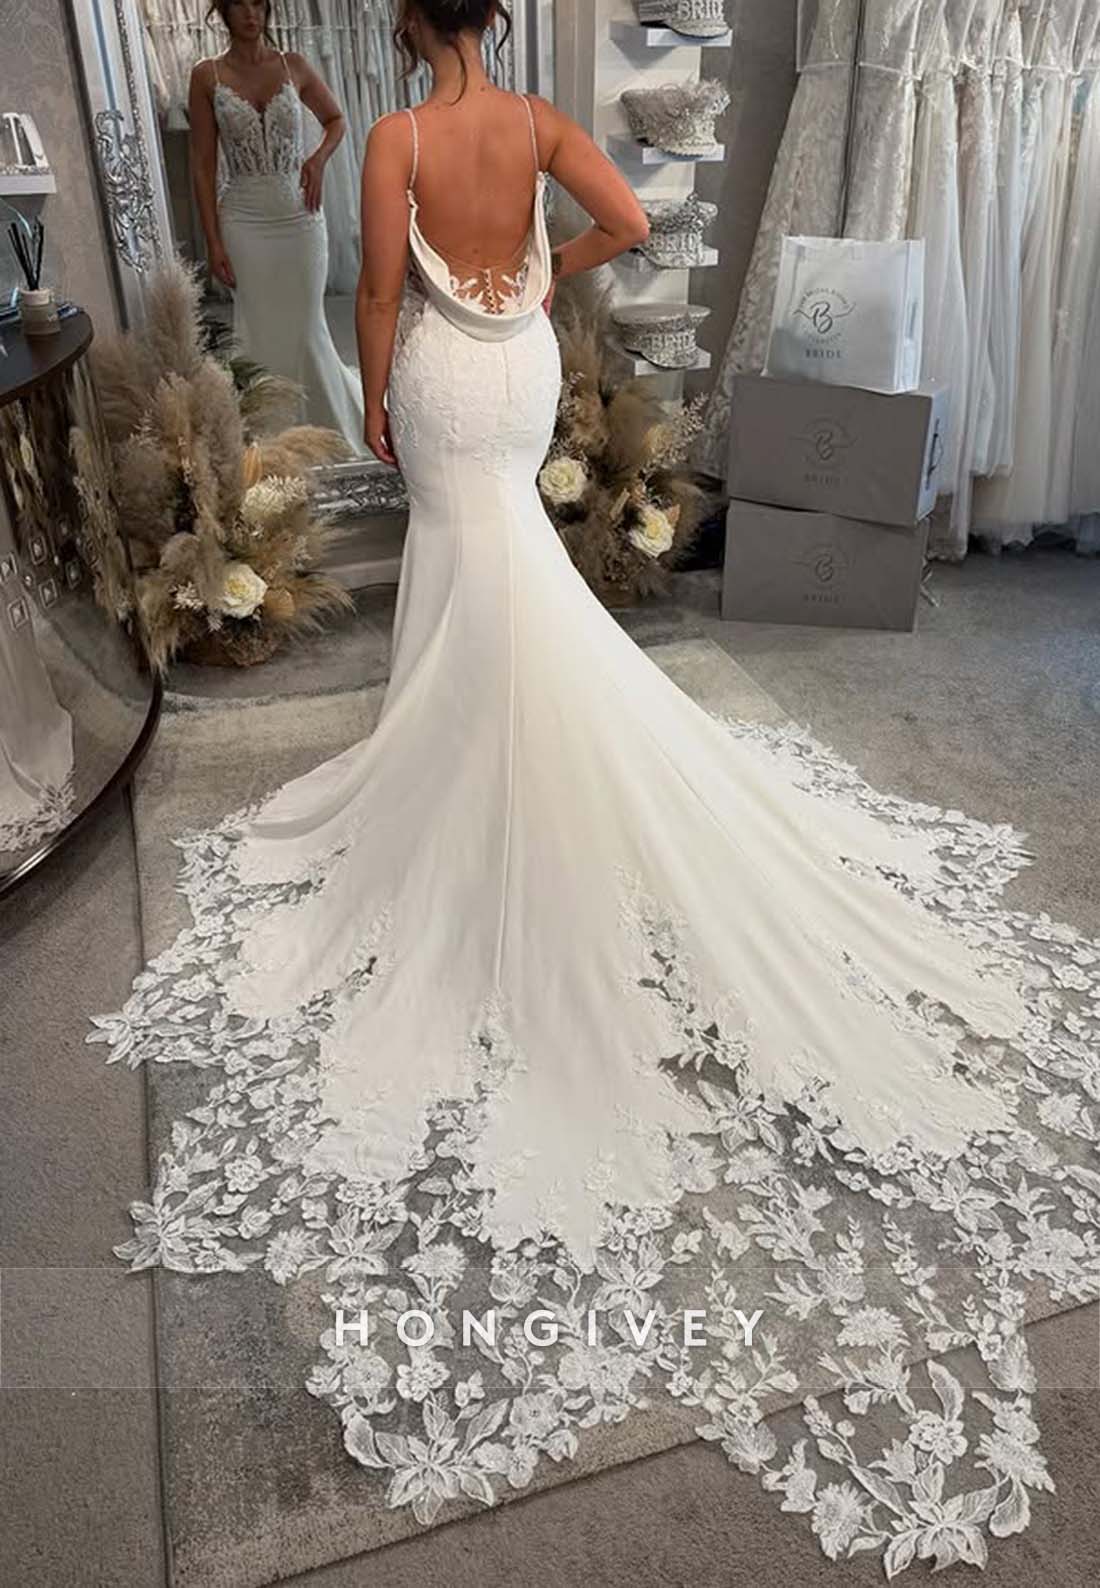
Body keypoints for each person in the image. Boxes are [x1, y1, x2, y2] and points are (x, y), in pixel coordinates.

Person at [87, 2, 1099, 1561]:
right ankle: (503, 729)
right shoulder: (543, 124)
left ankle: (466, 748)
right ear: (493, 18)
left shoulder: (403, 134)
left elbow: (374, 291)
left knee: (473, 563)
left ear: (409, 23)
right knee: (517, 574)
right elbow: (622, 221)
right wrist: (537, 277)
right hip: (518, 365)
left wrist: (379, 389)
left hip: (444, 375)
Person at [189, 0, 365, 452]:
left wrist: (318, 159)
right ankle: (272, 441)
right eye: (240, 4)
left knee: (306, 326)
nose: (251, 14)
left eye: (259, 4)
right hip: (243, 220)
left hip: (300, 215)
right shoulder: (206, 76)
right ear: (223, 12)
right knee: (259, 329)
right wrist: (213, 241)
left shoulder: (294, 66)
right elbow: (203, 165)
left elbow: (336, 120)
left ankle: (327, 429)